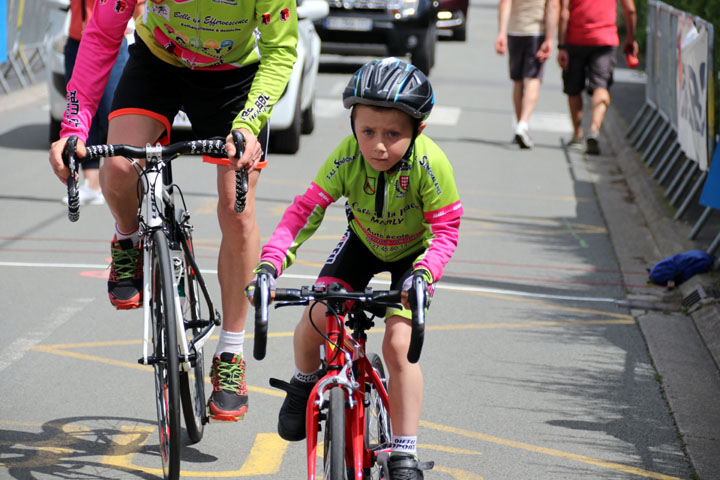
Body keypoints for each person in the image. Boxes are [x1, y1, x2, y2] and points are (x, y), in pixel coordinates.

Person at [48, 0, 298, 422]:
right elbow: (100, 37)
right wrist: (74, 129)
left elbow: (281, 51)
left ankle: (231, 355)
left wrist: (249, 124)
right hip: (158, 63)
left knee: (238, 211)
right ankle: (128, 237)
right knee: (118, 168)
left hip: (233, 78)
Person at [246, 57, 463, 479]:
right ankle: (305, 381)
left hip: (413, 258)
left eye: (393, 134)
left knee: (398, 346)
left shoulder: (430, 164)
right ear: (352, 127)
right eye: (368, 132)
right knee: (316, 315)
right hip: (362, 244)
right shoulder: (347, 157)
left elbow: (445, 232)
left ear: (418, 129)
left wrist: (424, 275)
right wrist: (270, 263)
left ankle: (403, 450)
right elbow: (304, 212)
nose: (379, 146)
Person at [60, 0, 144, 206]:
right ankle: (92, 183)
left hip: (113, 38)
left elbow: (140, 10)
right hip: (77, 39)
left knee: (113, 113)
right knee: (84, 116)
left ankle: (138, 179)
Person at [557, 0, 638, 154]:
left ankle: (577, 134)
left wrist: (561, 45)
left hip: (576, 39)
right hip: (605, 40)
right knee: (601, 86)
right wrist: (631, 38)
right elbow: (631, 10)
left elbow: (564, 12)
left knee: (573, 89)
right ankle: (594, 129)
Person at [495, 0, 559, 149]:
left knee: (518, 82)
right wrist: (550, 38)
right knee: (532, 80)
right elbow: (553, 6)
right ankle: (523, 125)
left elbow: (505, 3)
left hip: (515, 31)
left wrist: (501, 33)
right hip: (536, 32)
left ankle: (520, 127)